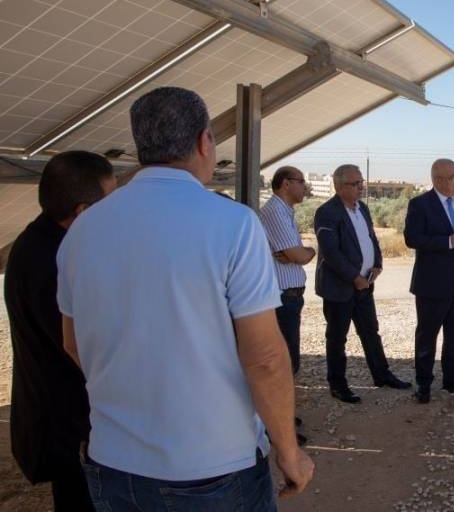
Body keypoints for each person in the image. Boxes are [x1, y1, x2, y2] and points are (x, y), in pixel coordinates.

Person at [56, 87, 314, 510]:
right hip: (213, 465)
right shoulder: (233, 223)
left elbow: (73, 343)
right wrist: (288, 451)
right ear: (204, 142)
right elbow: (265, 357)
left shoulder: (82, 229)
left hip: (113, 463)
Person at [4, 151, 115, 511]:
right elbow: (84, 345)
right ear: (83, 211)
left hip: (62, 416)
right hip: (67, 422)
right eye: (109, 201)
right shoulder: (54, 259)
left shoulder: (41, 241)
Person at [313, 164, 411, 403]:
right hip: (340, 288)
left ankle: (382, 375)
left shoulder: (362, 208)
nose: (361, 187)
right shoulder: (327, 212)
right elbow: (331, 252)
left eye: (361, 182)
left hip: (365, 284)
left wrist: (377, 264)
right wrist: (354, 277)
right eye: (355, 184)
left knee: (370, 331)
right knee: (337, 338)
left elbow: (371, 238)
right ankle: (338, 385)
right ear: (339, 186)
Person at [405, 159, 454, 404]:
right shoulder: (420, 204)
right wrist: (448, 241)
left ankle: (452, 380)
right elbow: (412, 238)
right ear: (438, 180)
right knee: (427, 336)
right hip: (432, 283)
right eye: (452, 177)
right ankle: (423, 384)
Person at [258, 166, 316, 377]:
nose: (305, 187)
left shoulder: (284, 211)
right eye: (301, 182)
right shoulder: (275, 212)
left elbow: (296, 255)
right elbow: (299, 256)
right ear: (286, 183)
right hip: (282, 298)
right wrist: (311, 250)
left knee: (288, 360)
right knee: (285, 364)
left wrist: (302, 253)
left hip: (289, 297)